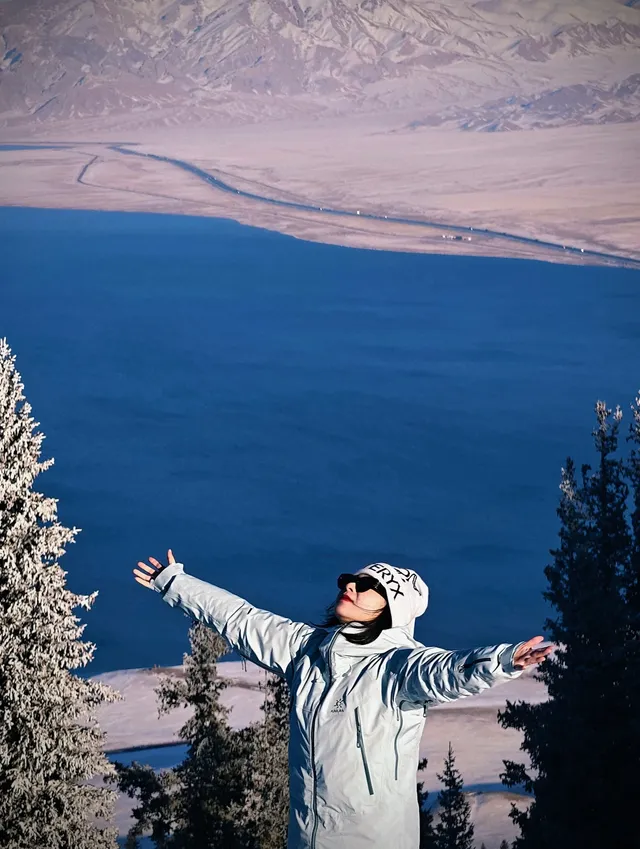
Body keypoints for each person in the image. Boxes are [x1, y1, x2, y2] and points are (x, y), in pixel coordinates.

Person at [134, 551, 552, 849]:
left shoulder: (393, 668)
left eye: (368, 586)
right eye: (350, 580)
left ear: (392, 610)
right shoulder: (306, 650)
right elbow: (242, 619)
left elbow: (443, 670)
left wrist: (501, 660)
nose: (351, 585)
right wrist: (175, 582)